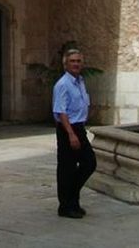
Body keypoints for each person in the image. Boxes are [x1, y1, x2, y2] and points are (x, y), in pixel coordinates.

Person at [52, 47, 97, 219]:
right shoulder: (63, 84)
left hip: (79, 127)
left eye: (78, 61)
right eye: (72, 61)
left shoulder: (80, 81)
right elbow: (60, 111)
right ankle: (65, 206)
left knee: (89, 163)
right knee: (67, 168)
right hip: (68, 129)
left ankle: (72, 199)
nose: (76, 64)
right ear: (65, 64)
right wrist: (71, 134)